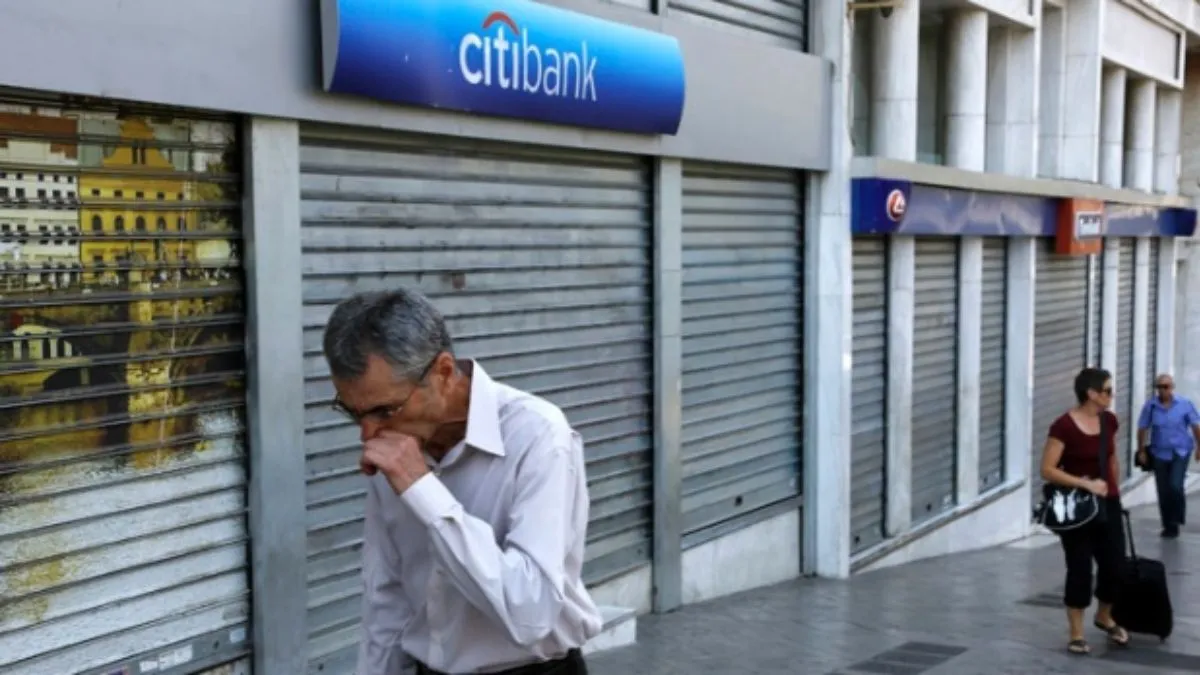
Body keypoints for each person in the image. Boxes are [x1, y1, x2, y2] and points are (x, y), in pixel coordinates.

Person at [322, 288, 601, 675]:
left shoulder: (538, 436)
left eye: (385, 410)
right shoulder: (394, 443)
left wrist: (423, 491)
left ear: (443, 372)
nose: (368, 434)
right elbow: (386, 596)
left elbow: (531, 611)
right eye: (352, 413)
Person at [1039, 367, 1128, 656]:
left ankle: (1104, 615)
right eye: (1107, 391)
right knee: (1079, 568)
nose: (1111, 396)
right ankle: (1076, 633)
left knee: (1114, 564)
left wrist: (1116, 491)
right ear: (1091, 394)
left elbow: (1112, 456)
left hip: (1108, 502)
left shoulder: (1110, 421)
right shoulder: (1063, 426)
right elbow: (1047, 470)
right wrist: (1084, 484)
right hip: (1077, 508)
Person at [1136, 373, 1200, 539]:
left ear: (1172, 387)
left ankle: (1177, 519)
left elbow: (1195, 426)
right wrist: (1141, 450)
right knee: (1163, 490)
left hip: (1180, 451)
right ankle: (1168, 525)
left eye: (1166, 387)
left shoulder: (1184, 404)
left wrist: (1199, 447)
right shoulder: (1151, 406)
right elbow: (1143, 427)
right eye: (1159, 387)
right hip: (1159, 453)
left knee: (1175, 486)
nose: (1163, 391)